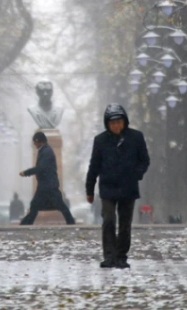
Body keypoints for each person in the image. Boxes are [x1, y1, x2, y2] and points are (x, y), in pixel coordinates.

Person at [86, 103, 150, 269]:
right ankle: (109, 256)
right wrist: (90, 189)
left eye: (119, 121)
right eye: (112, 122)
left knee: (125, 223)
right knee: (108, 220)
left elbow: (144, 160)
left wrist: (137, 174)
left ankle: (121, 256)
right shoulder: (100, 141)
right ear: (107, 124)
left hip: (128, 187)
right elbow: (94, 166)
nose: (116, 125)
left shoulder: (136, 137)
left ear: (124, 122)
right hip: (108, 188)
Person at [19, 132, 76, 225]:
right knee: (38, 205)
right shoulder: (45, 150)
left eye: (35, 142)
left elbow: (41, 168)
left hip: (48, 185)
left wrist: (26, 172)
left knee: (42, 205)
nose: (34, 144)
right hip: (47, 184)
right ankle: (26, 223)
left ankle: (26, 223)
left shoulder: (46, 152)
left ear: (39, 141)